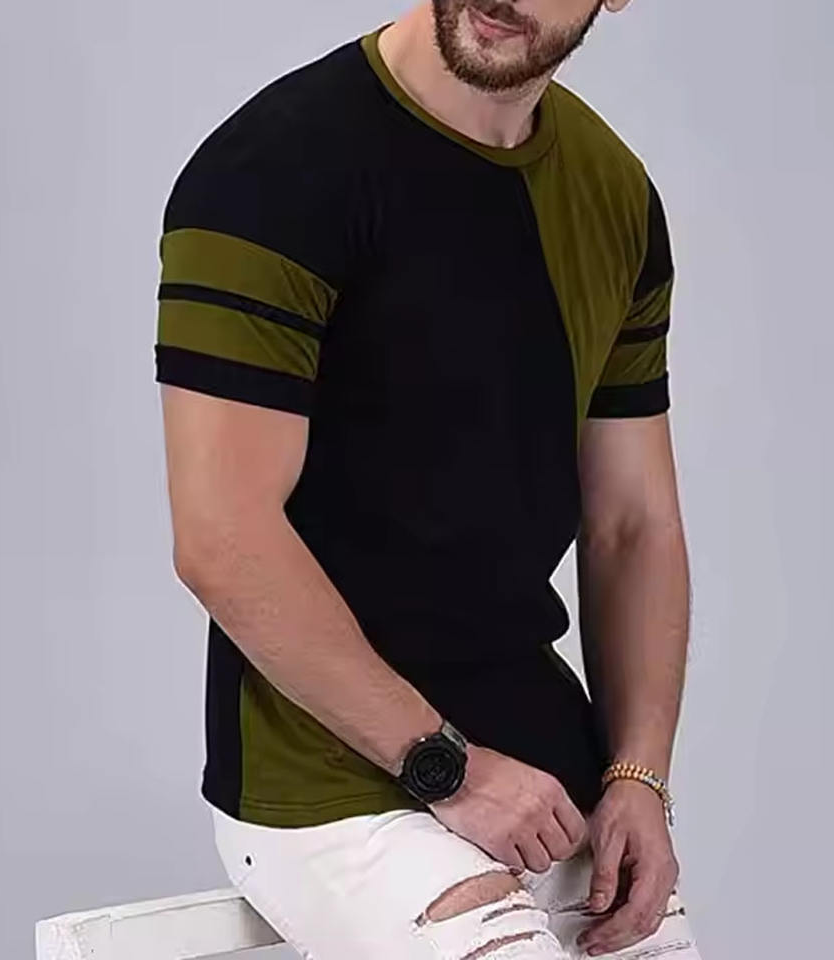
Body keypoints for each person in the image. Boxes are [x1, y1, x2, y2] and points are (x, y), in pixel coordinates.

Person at [154, 1, 701, 956]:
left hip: (548, 772)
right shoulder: (270, 170)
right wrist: (448, 767)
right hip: (326, 778)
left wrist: (638, 777)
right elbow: (221, 536)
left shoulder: (613, 191)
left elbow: (633, 522)